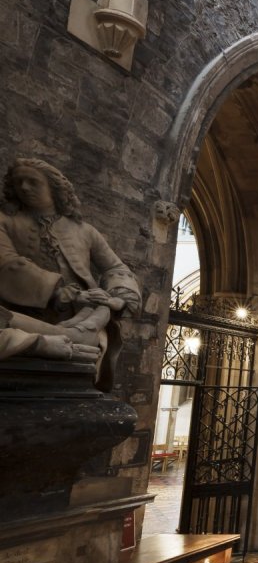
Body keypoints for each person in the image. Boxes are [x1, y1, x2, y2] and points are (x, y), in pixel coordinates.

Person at [0, 158, 141, 390]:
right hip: (25, 313)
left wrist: (118, 298)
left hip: (83, 316)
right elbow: (6, 263)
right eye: (18, 183)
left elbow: (116, 268)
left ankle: (84, 329)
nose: (24, 187)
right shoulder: (5, 221)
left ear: (53, 188)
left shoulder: (83, 231)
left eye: (33, 182)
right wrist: (59, 292)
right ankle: (74, 333)